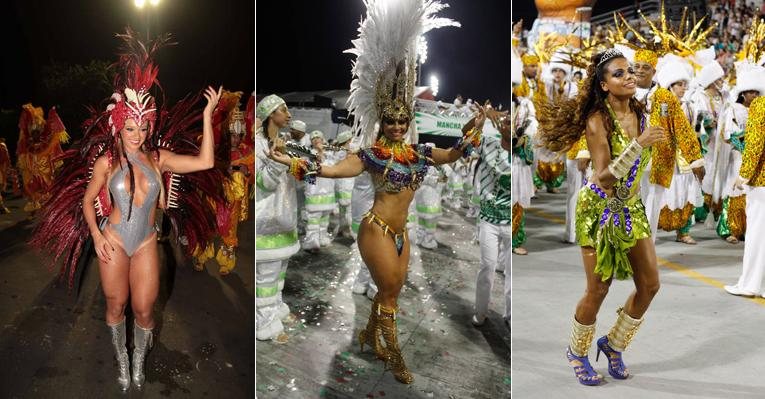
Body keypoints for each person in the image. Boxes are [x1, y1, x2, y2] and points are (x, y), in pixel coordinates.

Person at [268, 0, 460, 383]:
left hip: (402, 232)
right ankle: (394, 355)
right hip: (375, 229)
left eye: (402, 120)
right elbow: (335, 170)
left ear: (408, 121)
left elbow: (450, 155)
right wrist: (295, 162)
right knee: (389, 291)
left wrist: (468, 139)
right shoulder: (371, 155)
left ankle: (369, 334)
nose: (396, 125)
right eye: (390, 120)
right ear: (382, 121)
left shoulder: (417, 152)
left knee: (394, 291)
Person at [31, 29, 221, 391]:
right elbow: (88, 201)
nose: (137, 134)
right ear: (119, 125)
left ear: (149, 126)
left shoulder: (159, 158)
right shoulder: (107, 162)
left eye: (143, 126)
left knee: (146, 310)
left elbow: (206, 161)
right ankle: (121, 358)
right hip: (114, 241)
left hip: (147, 242)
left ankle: (139, 360)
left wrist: (209, 115)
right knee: (116, 305)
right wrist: (97, 234)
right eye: (130, 127)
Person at [539, 49, 666, 386]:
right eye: (620, 74)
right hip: (598, 210)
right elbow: (604, 177)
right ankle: (577, 352)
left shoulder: (641, 111)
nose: (629, 77)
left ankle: (613, 344)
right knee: (599, 288)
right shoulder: (598, 120)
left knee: (650, 285)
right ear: (605, 84)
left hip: (632, 209)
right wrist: (639, 144)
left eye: (630, 72)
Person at [255, 95, 300, 341]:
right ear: (271, 114)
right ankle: (264, 323)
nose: (289, 114)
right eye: (284, 110)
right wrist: (276, 161)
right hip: (267, 222)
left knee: (279, 271)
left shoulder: (285, 141)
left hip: (285, 217)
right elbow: (264, 183)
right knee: (267, 276)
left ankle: (276, 308)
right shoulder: (258, 145)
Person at [724, 91, 765, 297]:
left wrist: (744, 175)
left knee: (757, 235)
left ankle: (750, 284)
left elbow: (755, 143)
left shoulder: (760, 105)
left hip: (762, 181)